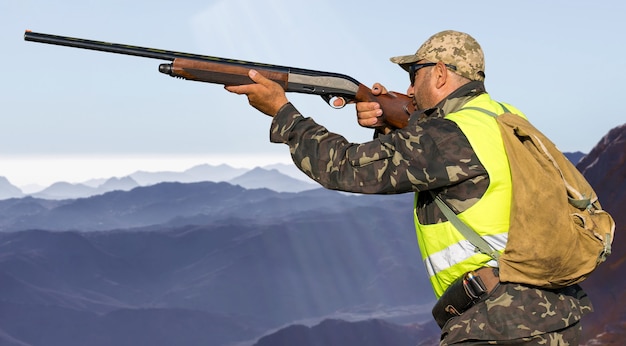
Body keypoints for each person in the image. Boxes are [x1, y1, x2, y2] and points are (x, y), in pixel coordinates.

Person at [225, 30, 592, 345]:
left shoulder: (450, 135)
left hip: (499, 323)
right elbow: (449, 165)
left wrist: (283, 113)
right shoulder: (503, 115)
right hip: (552, 313)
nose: (409, 88)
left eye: (414, 75)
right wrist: (388, 123)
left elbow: (344, 168)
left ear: (441, 73)